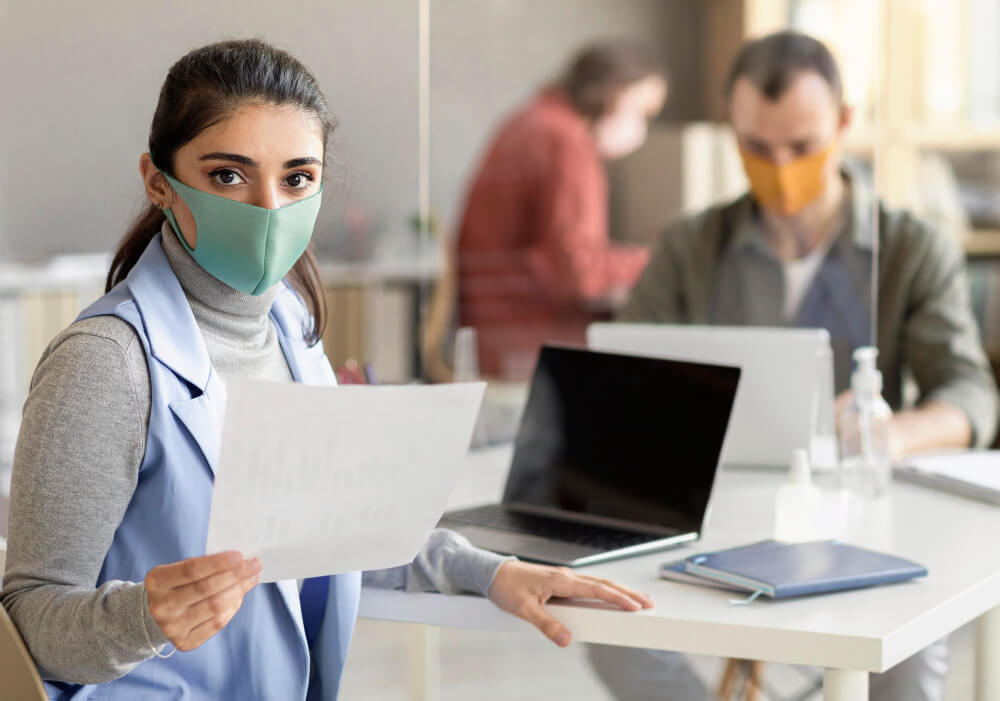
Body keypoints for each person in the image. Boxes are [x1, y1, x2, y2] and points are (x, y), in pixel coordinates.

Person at [0, 39, 654, 700]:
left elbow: (331, 534)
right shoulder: (105, 364)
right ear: (157, 181)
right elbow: (29, 617)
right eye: (228, 175)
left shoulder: (291, 331)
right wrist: (141, 618)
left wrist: (489, 571)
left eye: (296, 178)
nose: (268, 208)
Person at [588, 31, 998, 701]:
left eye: (801, 147)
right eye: (757, 148)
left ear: (842, 124)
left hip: (868, 524)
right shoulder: (692, 245)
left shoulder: (910, 249)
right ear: (734, 133)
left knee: (910, 660)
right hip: (715, 511)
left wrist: (892, 432)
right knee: (596, 615)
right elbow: (622, 378)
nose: (780, 168)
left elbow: (971, 394)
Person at [456, 40, 667, 380]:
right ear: (615, 93)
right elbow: (580, 272)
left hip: (494, 332)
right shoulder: (564, 140)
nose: (641, 126)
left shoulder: (530, 120)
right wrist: (658, 259)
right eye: (642, 111)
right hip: (526, 341)